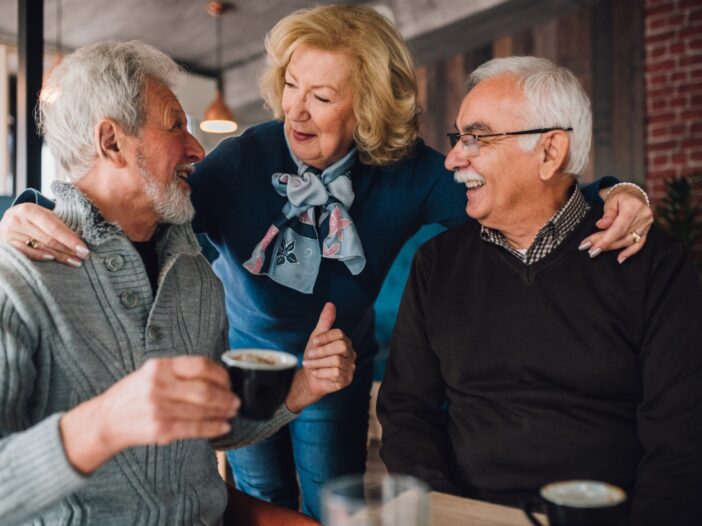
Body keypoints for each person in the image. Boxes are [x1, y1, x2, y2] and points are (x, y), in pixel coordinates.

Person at [0, 5, 654, 519]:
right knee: (261, 498)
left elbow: (515, 192)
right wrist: (27, 205)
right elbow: (132, 203)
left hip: (332, 366)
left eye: (321, 95)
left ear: (366, 106)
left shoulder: (408, 175)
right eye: (289, 84)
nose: (293, 108)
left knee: (332, 507)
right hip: (248, 367)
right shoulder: (240, 160)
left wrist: (613, 194)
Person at [0, 41, 357, 526]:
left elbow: (210, 425)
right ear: (112, 143)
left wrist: (302, 386)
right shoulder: (16, 274)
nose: (197, 149)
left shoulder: (196, 273)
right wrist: (102, 424)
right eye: (175, 125)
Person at [377, 56, 702, 526]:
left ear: (550, 152)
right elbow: (407, 412)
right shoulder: (437, 263)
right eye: (457, 137)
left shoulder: (653, 264)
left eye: (477, 137)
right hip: (468, 516)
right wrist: (444, 512)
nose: (452, 158)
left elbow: (683, 438)